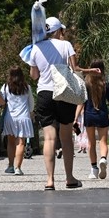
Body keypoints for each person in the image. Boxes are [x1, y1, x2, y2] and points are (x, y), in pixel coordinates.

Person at [28, 16, 88, 190]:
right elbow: (75, 69)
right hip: (63, 92)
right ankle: (69, 178)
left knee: (49, 138)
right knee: (66, 137)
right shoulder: (66, 45)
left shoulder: (36, 47)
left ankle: (50, 180)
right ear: (58, 30)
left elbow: (34, 75)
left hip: (44, 93)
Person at [82, 59, 109, 179]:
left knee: (91, 142)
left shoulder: (86, 84)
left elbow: (82, 101)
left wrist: (76, 117)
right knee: (103, 141)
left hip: (89, 114)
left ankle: (94, 169)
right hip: (102, 114)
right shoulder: (105, 84)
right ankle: (103, 159)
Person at [1, 66, 34, 175]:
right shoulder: (27, 87)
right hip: (23, 117)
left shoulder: (6, 87)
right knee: (20, 143)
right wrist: (31, 112)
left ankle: (10, 165)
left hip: (10, 117)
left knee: (10, 142)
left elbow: (1, 100)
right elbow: (31, 103)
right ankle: (18, 168)